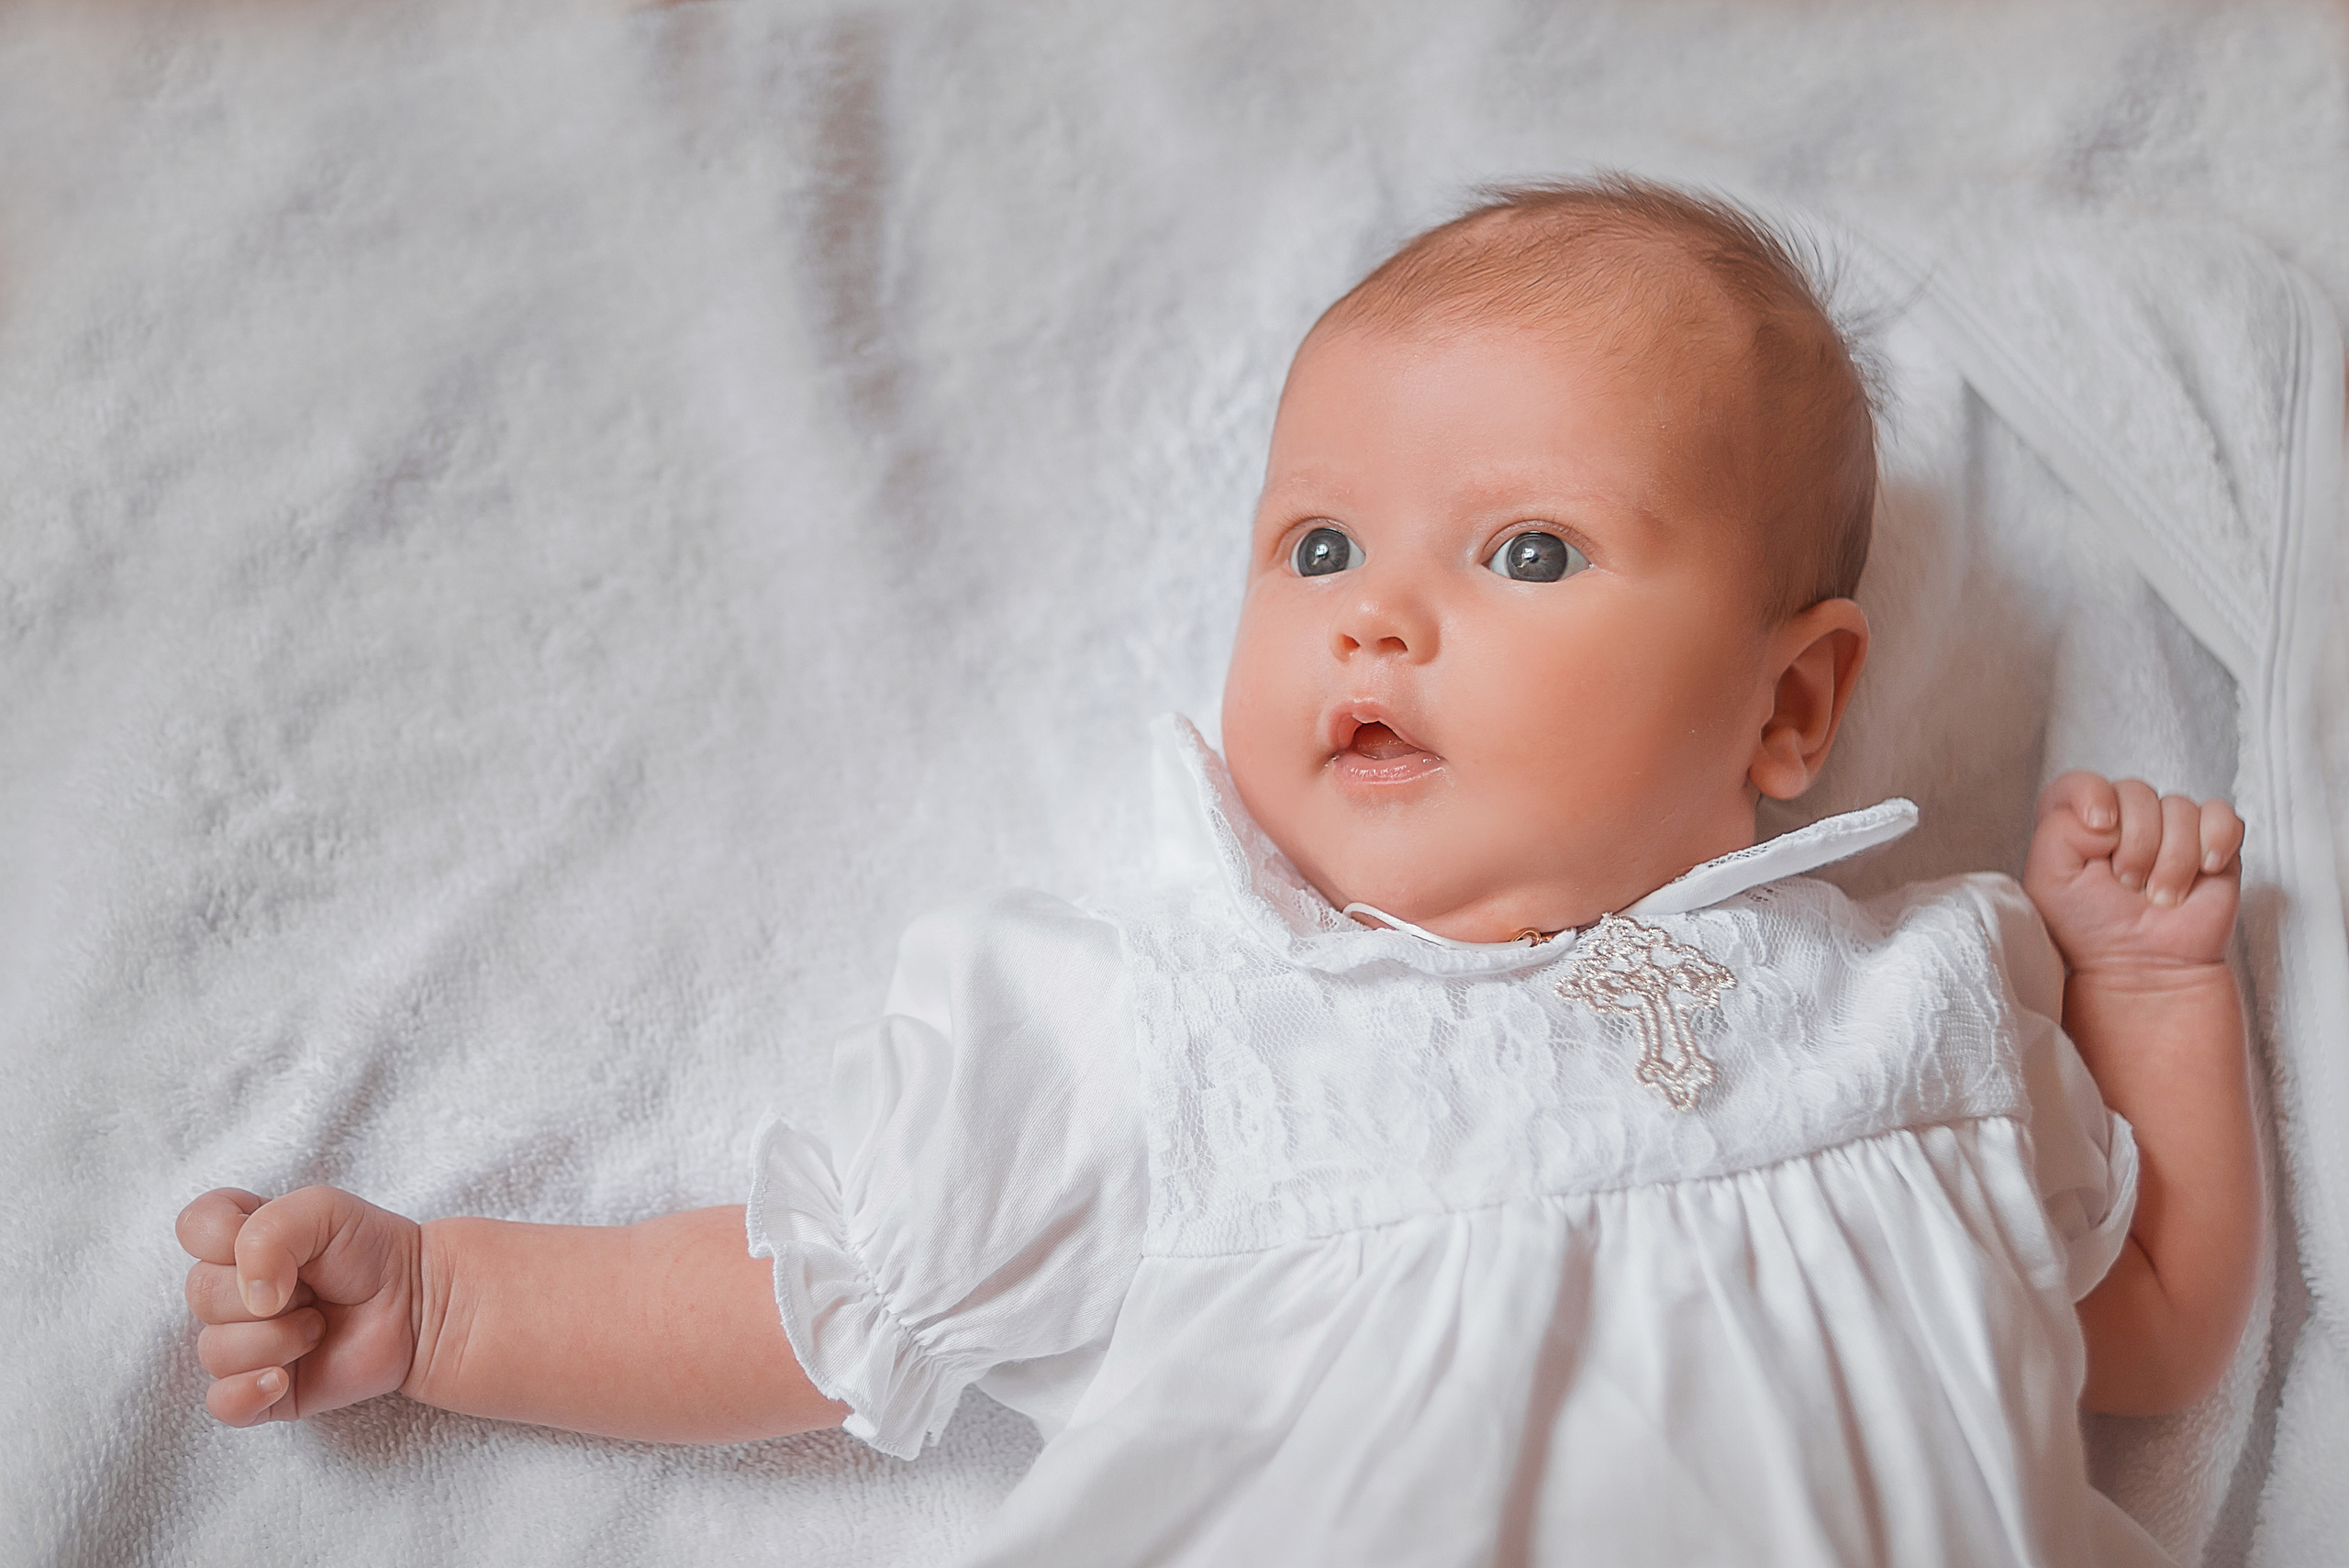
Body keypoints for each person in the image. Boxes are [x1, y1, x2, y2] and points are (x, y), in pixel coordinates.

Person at [177, 178, 2259, 1565]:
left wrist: (2152, 996)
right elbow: (797, 1300)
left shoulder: (1925, 996)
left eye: (1523, 550)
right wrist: (449, 1302)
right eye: (1316, 544)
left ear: (1788, 714)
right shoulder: (1169, 1027)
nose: (1376, 617)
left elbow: (2150, 1341)